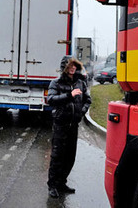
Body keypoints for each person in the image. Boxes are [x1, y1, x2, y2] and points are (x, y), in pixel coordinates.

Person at [47, 56, 91, 198]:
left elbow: (87, 100)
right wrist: (69, 95)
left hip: (74, 125)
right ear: (64, 68)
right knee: (57, 156)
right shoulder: (56, 83)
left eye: (74, 66)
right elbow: (51, 100)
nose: (72, 68)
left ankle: (62, 183)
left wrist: (80, 113)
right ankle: (52, 185)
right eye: (70, 66)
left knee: (70, 156)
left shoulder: (80, 82)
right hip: (60, 124)